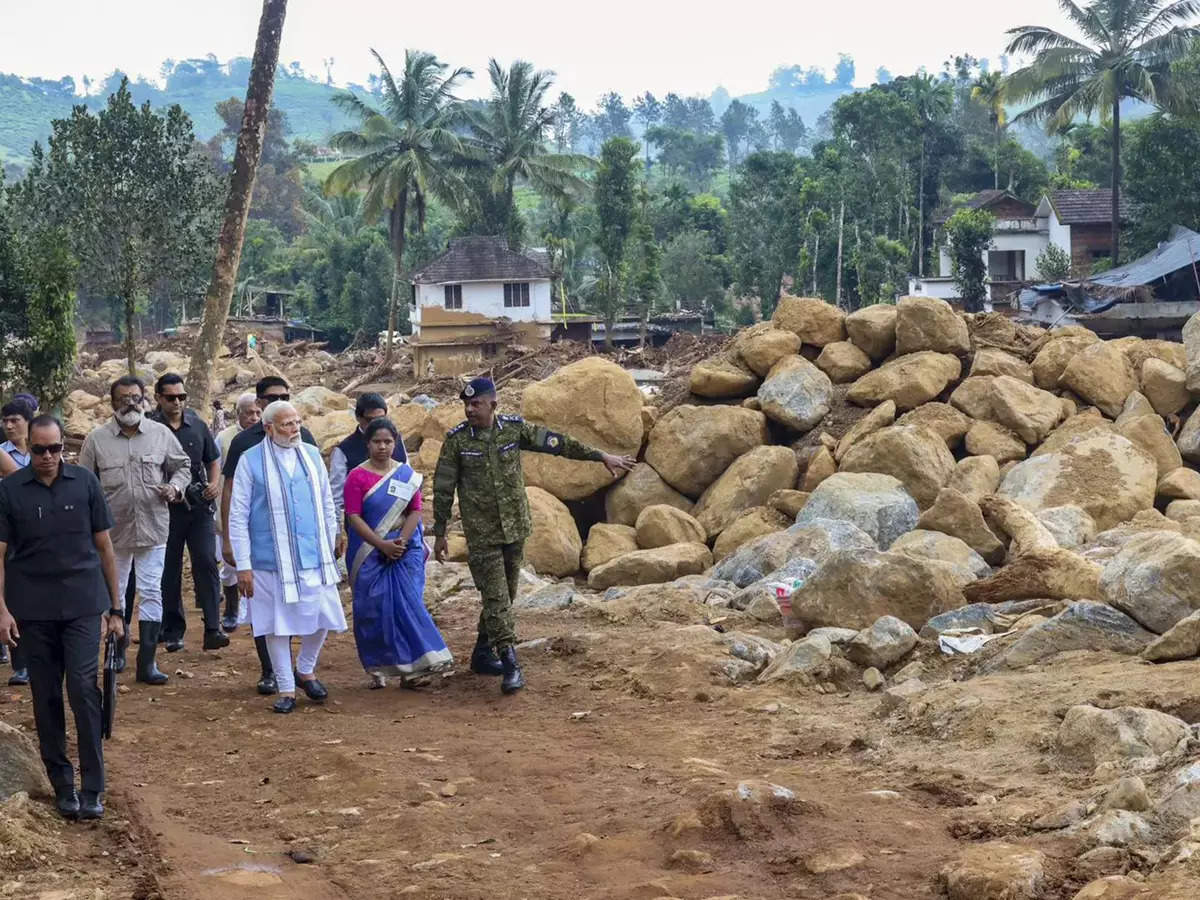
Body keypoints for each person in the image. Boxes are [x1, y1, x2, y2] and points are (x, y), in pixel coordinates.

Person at [432, 377, 635, 694]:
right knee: (498, 598)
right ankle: (510, 663)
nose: (469, 409)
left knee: (506, 594)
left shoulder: (513, 430)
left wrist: (600, 456)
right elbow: (443, 487)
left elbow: (558, 443)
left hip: (514, 527)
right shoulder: (456, 441)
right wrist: (441, 531)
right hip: (482, 533)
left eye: (476, 404)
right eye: (466, 404)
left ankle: (483, 653)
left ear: (493, 405)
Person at [0, 415, 123, 820]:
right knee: (46, 695)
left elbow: (105, 548)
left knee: (84, 691)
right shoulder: (10, 491)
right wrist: (2, 611)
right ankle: (63, 785)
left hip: (83, 605)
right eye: (40, 450)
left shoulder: (85, 483)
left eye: (56, 449)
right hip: (32, 610)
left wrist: (117, 609)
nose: (49, 457)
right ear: (26, 447)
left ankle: (93, 787)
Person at [228, 400, 347, 714]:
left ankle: (305, 668)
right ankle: (286, 688)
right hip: (269, 558)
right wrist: (243, 565)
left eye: (297, 422)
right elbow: (238, 515)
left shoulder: (310, 454)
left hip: (313, 552)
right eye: (287, 424)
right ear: (269, 428)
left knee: (324, 616)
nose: (295, 429)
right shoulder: (250, 460)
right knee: (275, 625)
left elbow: (325, 499)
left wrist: (333, 534)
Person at [79, 376, 190, 685]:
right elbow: (82, 483)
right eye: (123, 398)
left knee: (153, 590)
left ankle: (148, 662)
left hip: (153, 527)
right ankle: (116, 652)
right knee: (117, 594)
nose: (130, 403)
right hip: (112, 534)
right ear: (112, 402)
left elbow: (182, 466)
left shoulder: (161, 434)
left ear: (145, 401)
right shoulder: (96, 439)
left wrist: (175, 488)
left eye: (136, 397)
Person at [220, 376, 318, 695]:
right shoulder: (244, 446)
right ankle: (273, 673)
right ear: (260, 405)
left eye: (286, 396)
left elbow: (319, 494)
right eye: (273, 397)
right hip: (263, 547)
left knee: (318, 611)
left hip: (303, 549)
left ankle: (302, 670)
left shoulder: (306, 443)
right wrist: (229, 542)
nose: (293, 428)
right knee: (271, 616)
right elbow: (232, 496)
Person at [345, 418, 450, 689]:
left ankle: (412, 670)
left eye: (388, 442)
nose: (383, 447)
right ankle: (378, 668)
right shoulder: (357, 477)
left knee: (408, 604)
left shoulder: (405, 474)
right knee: (373, 609)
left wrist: (401, 542)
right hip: (370, 550)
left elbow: (415, 510)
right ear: (367, 444)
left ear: (395, 443)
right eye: (377, 442)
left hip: (405, 549)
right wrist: (382, 545)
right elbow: (354, 516)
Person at [149, 374, 228, 653]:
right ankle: (172, 629)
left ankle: (212, 628)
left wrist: (214, 483)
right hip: (164, 509)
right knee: (168, 569)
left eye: (182, 397)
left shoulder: (196, 423)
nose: (177, 402)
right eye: (171, 397)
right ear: (158, 398)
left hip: (198, 506)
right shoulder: (149, 427)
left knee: (206, 562)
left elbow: (213, 458)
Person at [329, 392, 408, 558]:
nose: (377, 424)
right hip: (363, 532)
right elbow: (335, 497)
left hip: (398, 528)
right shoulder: (344, 450)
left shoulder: (396, 441)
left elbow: (410, 484)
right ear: (358, 418)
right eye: (370, 420)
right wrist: (335, 533)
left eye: (381, 418)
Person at [215, 393, 260, 632]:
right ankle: (231, 609)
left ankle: (255, 612)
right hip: (230, 508)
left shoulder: (267, 436)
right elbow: (217, 474)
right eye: (248, 413)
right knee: (231, 564)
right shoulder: (224, 439)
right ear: (238, 413)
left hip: (258, 511)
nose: (254, 417)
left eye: (257, 412)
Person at [0, 397, 34, 685]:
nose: (9, 426)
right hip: (7, 534)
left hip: (40, 534)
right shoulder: (1, 453)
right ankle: (19, 664)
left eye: (15, 420)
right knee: (14, 597)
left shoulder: (43, 450)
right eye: (5, 421)